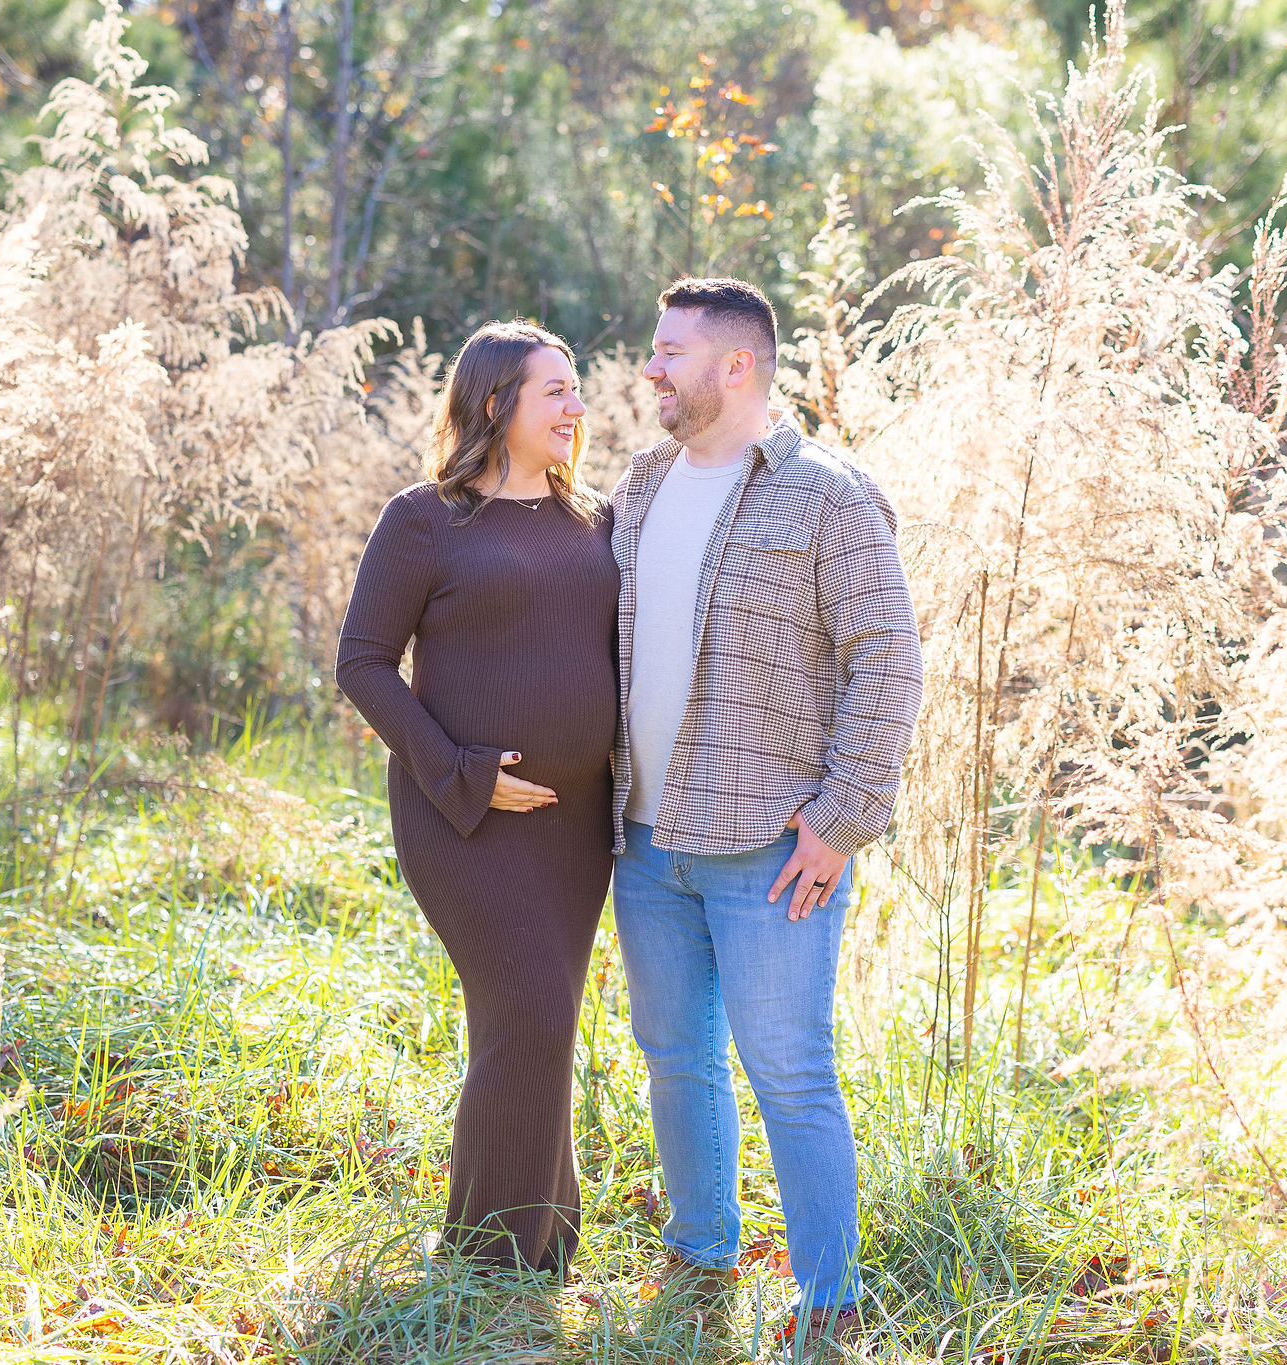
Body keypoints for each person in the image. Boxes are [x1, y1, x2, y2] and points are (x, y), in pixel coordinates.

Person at [609, 278, 922, 1352]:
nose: (649, 368)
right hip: (643, 838)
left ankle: (827, 1299)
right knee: (672, 1055)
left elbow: (887, 662)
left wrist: (843, 819)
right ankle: (702, 1254)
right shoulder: (642, 484)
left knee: (787, 1070)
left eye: (668, 351)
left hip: (769, 846)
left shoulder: (829, 495)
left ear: (733, 365)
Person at [336, 322, 617, 1275]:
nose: (577, 407)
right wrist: (460, 770)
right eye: (557, 390)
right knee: (531, 1012)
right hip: (463, 820)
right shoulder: (426, 518)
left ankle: (540, 1248)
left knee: (538, 1021)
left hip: (576, 830)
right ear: (495, 403)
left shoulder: (598, 522)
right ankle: (486, 1266)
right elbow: (362, 662)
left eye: (576, 389)